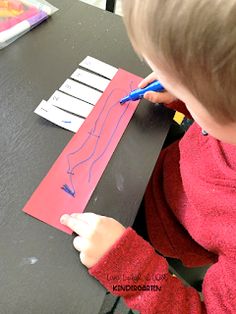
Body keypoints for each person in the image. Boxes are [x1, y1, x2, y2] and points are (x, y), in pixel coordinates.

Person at [60, 0, 236, 313]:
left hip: (157, 237)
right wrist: (187, 95)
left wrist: (130, 270)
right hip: (161, 177)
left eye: (183, 84)